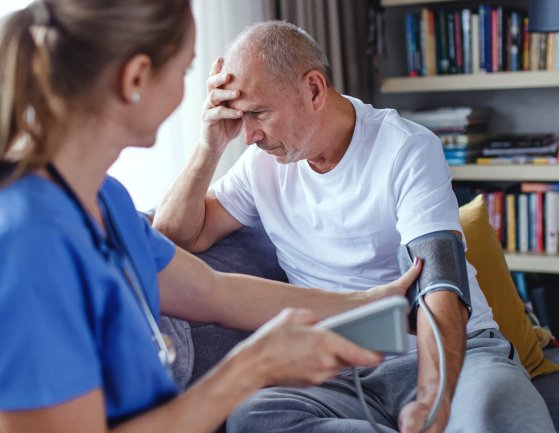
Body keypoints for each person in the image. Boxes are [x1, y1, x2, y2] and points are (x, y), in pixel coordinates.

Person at [0, 2, 422, 433]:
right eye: (185, 72)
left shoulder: (105, 199)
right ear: (135, 79)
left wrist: (374, 301)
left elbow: (217, 292)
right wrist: (248, 370)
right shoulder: (28, 243)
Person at [154, 20, 556, 433]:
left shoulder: (405, 148)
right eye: (241, 117)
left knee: (503, 421)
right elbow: (170, 240)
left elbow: (441, 285)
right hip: (337, 374)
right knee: (253, 417)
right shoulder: (261, 165)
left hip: (450, 355)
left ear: (313, 89)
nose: (250, 134)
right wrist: (209, 147)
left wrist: (433, 396)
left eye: (258, 113)